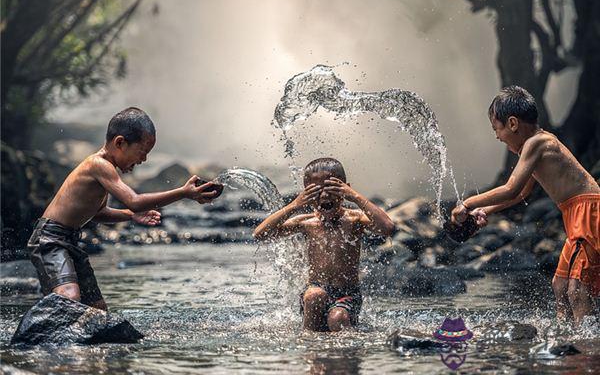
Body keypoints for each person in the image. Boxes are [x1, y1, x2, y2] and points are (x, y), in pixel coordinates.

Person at [28, 107, 220, 311]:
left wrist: (130, 216)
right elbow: (134, 201)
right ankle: (38, 333)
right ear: (120, 143)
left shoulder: (106, 171)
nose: (144, 159)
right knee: (70, 296)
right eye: (142, 152)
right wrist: (183, 192)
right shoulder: (98, 165)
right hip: (50, 239)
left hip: (69, 241)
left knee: (97, 309)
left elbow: (99, 212)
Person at [451, 86, 600, 325]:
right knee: (560, 285)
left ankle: (588, 348)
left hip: (588, 213)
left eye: (496, 129)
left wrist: (467, 204)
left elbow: (510, 187)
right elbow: (519, 194)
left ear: (512, 123)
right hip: (575, 214)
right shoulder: (534, 146)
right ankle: (565, 338)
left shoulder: (537, 142)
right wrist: (485, 210)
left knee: (577, 289)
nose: (497, 136)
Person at [253, 158, 395, 331]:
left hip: (347, 294)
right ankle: (308, 345)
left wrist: (355, 196)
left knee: (338, 318)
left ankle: (345, 354)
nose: (325, 196)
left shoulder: (354, 220)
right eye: (315, 191)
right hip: (314, 291)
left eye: (331, 188)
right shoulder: (306, 222)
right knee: (315, 295)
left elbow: (387, 228)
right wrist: (295, 205)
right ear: (306, 194)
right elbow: (260, 234)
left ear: (345, 189)